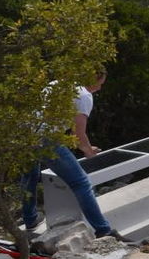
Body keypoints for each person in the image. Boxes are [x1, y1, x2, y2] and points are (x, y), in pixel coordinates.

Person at [21, 72, 122, 239]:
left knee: (30, 176)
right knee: (81, 182)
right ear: (93, 79)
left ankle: (30, 219)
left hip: (28, 135)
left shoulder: (58, 83)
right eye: (100, 83)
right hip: (48, 140)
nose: (100, 87)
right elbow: (79, 133)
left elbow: (49, 120)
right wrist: (88, 151)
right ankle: (103, 230)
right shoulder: (84, 95)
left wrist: (85, 146)